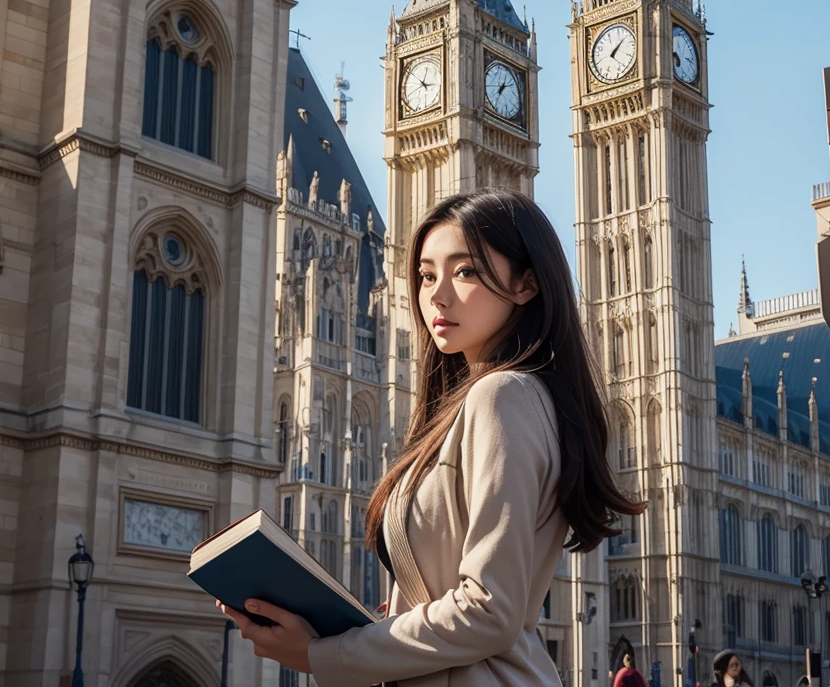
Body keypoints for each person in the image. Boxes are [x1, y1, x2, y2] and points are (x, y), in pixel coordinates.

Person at [218, 189, 647, 686]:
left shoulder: (501, 395)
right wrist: (387, 625)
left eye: (464, 272)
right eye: (425, 275)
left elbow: (489, 610)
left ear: (527, 284)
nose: (436, 295)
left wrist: (326, 654)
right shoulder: (495, 400)